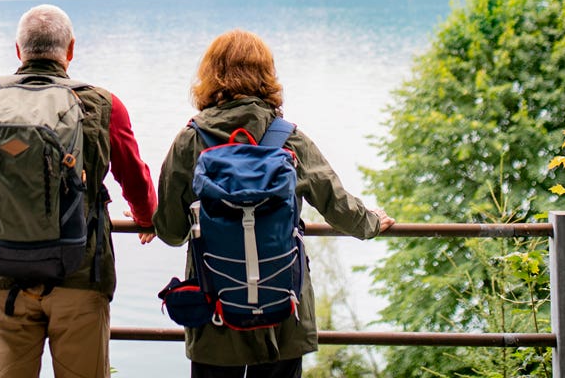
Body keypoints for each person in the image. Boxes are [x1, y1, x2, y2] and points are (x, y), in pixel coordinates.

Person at [0, 4, 158, 378]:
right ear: (70, 50)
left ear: (18, 51)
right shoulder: (103, 104)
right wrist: (146, 218)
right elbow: (135, 179)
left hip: (4, 275)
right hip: (80, 277)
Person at [153, 29, 395, 378]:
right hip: (284, 311)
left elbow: (173, 231)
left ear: (209, 76)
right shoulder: (288, 138)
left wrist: (152, 217)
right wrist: (371, 221)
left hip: (215, 310)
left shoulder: (191, 140)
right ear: (267, 76)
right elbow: (336, 204)